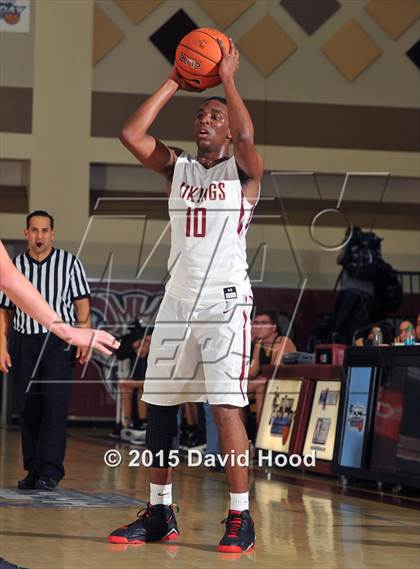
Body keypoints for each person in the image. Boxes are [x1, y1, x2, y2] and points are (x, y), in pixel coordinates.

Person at [108, 37, 263, 553]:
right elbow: (131, 133)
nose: (204, 120)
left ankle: (241, 518)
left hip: (224, 304)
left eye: (213, 115)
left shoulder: (242, 174)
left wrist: (228, 80)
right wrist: (178, 77)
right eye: (199, 114)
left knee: (224, 407)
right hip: (176, 302)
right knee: (159, 408)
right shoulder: (179, 170)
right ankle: (159, 513)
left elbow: (245, 132)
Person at [0, 211, 95, 491]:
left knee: (54, 407)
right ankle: (33, 469)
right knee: (28, 409)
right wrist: (2, 345)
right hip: (23, 341)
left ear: (52, 233)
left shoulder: (69, 263)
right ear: (26, 233)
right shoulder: (14, 265)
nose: (39, 236)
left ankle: (51, 472)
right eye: (34, 230)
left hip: (57, 344)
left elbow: (82, 305)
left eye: (44, 230)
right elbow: (4, 311)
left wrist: (83, 337)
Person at [248, 309, 296, 426]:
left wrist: (250, 384)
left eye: (263, 323)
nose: (258, 327)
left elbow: (275, 373)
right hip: (269, 383)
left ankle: (259, 437)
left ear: (274, 327)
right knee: (233, 393)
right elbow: (252, 372)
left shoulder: (282, 341)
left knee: (260, 389)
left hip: (290, 386)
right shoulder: (260, 344)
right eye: (256, 323)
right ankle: (245, 435)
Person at [118, 326, 153, 445]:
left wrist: (133, 383)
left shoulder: (157, 354)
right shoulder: (139, 359)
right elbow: (120, 352)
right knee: (128, 389)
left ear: (148, 340)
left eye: (140, 346)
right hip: (146, 385)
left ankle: (144, 424)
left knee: (141, 389)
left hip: (162, 389)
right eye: (135, 348)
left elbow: (155, 381)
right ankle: (128, 424)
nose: (139, 351)